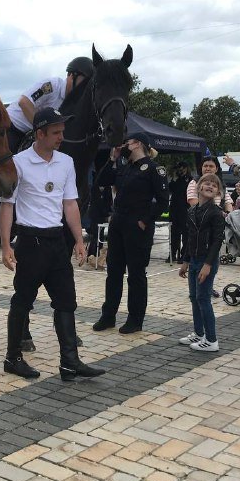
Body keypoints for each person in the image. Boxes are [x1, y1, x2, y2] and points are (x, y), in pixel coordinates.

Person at [0, 107, 105, 382]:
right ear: (40, 133)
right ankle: (13, 358)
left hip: (57, 240)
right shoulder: (18, 162)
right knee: (22, 301)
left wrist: (79, 239)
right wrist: (5, 246)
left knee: (66, 302)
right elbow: (7, 207)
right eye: (56, 132)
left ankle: (69, 362)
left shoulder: (65, 162)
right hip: (30, 242)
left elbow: (70, 203)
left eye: (63, 131)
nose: (61, 137)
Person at [0, 57, 95, 231]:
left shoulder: (73, 102)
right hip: (14, 127)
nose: (84, 87)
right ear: (72, 76)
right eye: (84, 81)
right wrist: (40, 129)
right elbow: (24, 102)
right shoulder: (51, 86)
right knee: (1, 161)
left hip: (39, 136)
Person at [92, 132, 169, 334]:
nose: (124, 145)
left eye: (128, 142)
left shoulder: (154, 169)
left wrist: (145, 220)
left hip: (137, 226)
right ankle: (108, 316)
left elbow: (162, 201)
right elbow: (102, 180)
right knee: (113, 272)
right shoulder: (124, 167)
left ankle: (135, 319)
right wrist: (112, 159)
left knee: (135, 275)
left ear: (138, 144)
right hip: (118, 223)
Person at [178, 172, 226, 351]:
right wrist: (186, 261)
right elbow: (191, 238)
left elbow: (217, 241)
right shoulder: (192, 210)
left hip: (207, 261)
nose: (210, 186)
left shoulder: (216, 213)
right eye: (206, 183)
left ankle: (211, 339)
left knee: (203, 298)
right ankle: (199, 333)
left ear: (218, 192)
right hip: (194, 260)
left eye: (214, 185)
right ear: (198, 187)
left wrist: (208, 265)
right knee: (194, 297)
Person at [168, 161, 192, 262]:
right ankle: (172, 254)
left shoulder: (190, 180)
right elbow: (170, 189)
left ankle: (184, 255)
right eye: (179, 168)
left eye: (182, 168)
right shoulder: (176, 180)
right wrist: (173, 178)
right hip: (174, 210)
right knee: (174, 233)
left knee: (186, 234)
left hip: (185, 210)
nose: (180, 170)